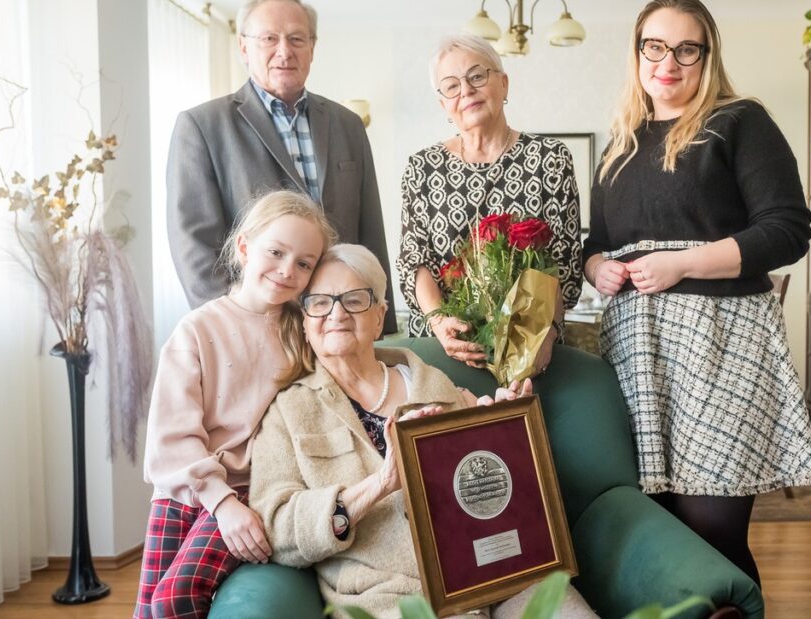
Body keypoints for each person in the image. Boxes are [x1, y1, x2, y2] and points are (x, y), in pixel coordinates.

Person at [582, 0, 811, 586]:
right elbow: (598, 241)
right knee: (658, 528)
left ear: (707, 56)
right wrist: (597, 269)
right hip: (637, 354)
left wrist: (681, 264)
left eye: (687, 48)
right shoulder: (620, 141)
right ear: (637, 54)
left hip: (722, 348)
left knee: (711, 532)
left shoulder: (739, 121)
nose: (670, 61)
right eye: (655, 47)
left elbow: (787, 231)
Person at [249, 244, 595, 618]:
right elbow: (277, 531)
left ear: (380, 317)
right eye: (319, 302)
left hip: (499, 579)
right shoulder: (288, 411)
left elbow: (498, 504)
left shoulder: (437, 386)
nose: (336, 313)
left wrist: (507, 440)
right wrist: (381, 483)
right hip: (394, 601)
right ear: (304, 319)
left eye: (353, 300)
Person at [133, 190, 337, 618]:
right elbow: (170, 440)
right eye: (276, 252)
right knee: (148, 610)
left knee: (174, 599)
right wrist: (218, 501)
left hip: (250, 490)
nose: (287, 270)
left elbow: (361, 364)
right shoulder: (196, 330)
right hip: (185, 489)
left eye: (304, 263)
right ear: (244, 247)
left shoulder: (306, 333)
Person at [166, 0, 397, 332]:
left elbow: (370, 231)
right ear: (244, 47)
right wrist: (231, 326)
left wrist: (381, 323)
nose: (284, 51)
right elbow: (193, 244)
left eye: (297, 39)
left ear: (313, 48)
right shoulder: (202, 126)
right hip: (255, 326)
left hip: (340, 323)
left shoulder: (348, 124)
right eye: (269, 39)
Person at [398, 35, 582, 372]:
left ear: (503, 82)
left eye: (477, 76)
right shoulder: (422, 168)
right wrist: (440, 325)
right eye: (451, 86)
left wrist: (543, 337)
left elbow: (565, 265)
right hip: (443, 350)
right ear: (443, 105)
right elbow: (414, 261)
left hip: (531, 347)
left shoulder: (549, 158)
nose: (466, 91)